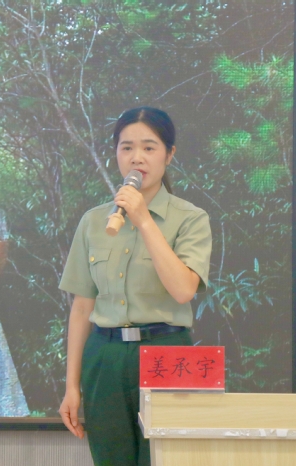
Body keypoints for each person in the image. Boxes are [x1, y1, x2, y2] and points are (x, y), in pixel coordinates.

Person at [58, 107, 212, 466]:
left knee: (166, 459)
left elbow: (183, 290)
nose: (136, 157)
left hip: (167, 351)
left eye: (149, 147)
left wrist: (143, 218)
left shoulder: (190, 218)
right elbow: (82, 309)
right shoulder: (93, 221)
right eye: (126, 147)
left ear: (169, 155)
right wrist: (71, 387)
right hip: (106, 356)